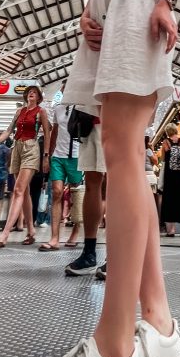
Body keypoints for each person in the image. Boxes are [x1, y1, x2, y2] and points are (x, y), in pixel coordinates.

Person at [7, 0, 180, 357]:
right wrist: (92, 16)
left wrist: (166, 4)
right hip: (109, 26)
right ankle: (158, 324)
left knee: (123, 153)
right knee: (123, 154)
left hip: (139, 15)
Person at [0, 86, 50, 249]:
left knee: (18, 190)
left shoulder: (41, 112)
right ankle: (31, 231)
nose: (31, 93)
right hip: (17, 148)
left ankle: (4, 235)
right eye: (29, 92)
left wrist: (46, 156)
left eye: (34, 92)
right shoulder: (19, 111)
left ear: (39, 97)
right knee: (25, 191)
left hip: (31, 148)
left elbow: (48, 132)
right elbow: (9, 130)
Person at [65, 115, 107, 279]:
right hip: (90, 120)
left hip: (120, 118)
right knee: (91, 183)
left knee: (117, 185)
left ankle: (118, 256)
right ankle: (89, 253)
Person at [40, 104, 81, 252]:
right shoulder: (58, 109)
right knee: (56, 192)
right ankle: (54, 238)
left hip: (76, 156)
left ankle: (75, 232)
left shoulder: (82, 107)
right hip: (58, 156)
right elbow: (55, 132)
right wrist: (48, 156)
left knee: (77, 197)